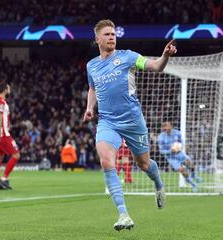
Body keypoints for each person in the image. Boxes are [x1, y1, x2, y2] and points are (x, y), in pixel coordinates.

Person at [83, 19, 176, 231]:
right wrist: (90, 107)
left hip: (133, 121)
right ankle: (123, 214)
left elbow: (155, 66)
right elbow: (92, 88)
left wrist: (165, 56)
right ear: (97, 39)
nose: (111, 37)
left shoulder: (128, 56)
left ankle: (159, 184)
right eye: (106, 34)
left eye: (113, 34)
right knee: (107, 162)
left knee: (144, 164)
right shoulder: (92, 65)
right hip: (107, 121)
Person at [0, 81, 20, 190]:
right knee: (16, 155)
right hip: (2, 135)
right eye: (8, 88)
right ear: (4, 90)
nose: (9, 90)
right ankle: (3, 179)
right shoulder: (1, 102)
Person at [157, 121, 201, 192]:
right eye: (164, 126)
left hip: (179, 153)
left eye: (167, 126)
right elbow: (161, 151)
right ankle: (194, 185)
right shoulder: (161, 137)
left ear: (171, 126)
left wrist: (179, 147)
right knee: (182, 170)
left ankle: (194, 176)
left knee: (190, 163)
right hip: (171, 157)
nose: (166, 128)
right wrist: (170, 151)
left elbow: (182, 142)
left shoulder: (177, 133)